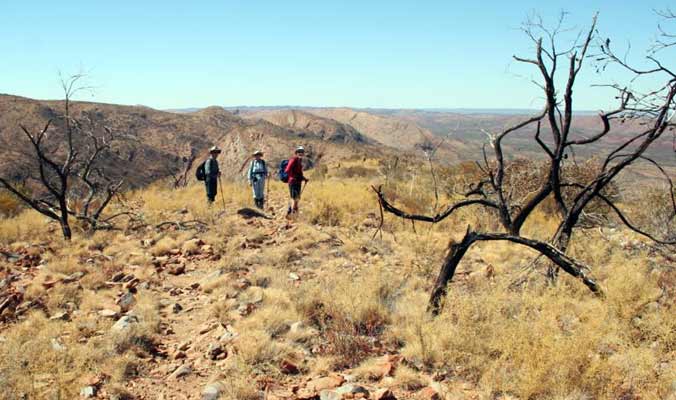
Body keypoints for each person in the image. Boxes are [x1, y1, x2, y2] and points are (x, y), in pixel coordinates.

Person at [284, 146, 308, 216]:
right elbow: (287, 170)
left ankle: (294, 213)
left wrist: (304, 178)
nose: (300, 153)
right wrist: (293, 177)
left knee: (297, 198)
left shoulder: (299, 161)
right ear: (296, 153)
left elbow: (299, 173)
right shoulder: (294, 159)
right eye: (299, 152)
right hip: (293, 182)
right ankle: (291, 213)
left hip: (298, 182)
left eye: (302, 152)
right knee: (294, 198)